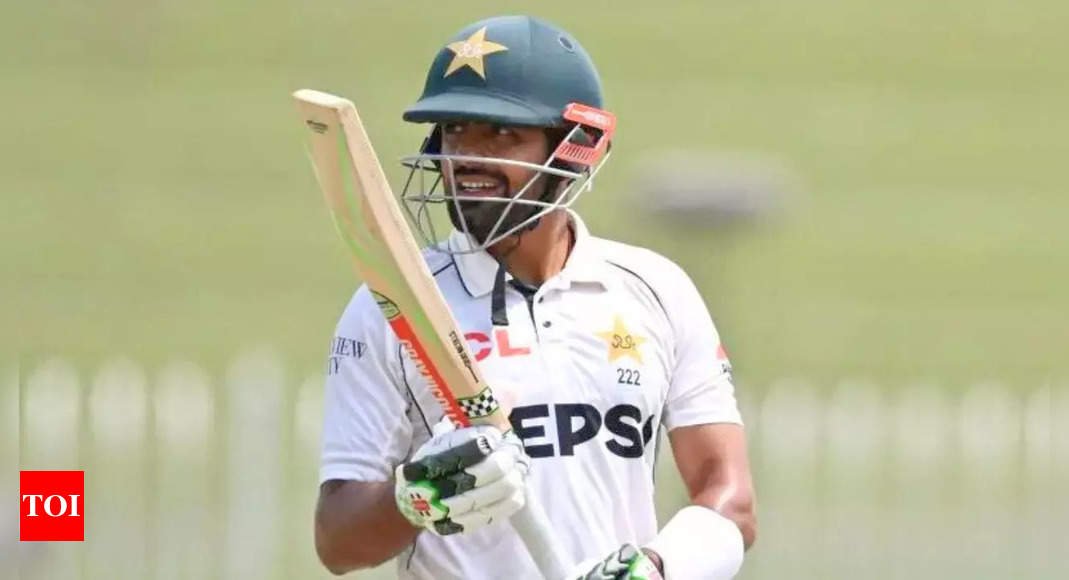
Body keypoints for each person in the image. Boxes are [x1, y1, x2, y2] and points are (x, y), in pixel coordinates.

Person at [314, 14, 756, 580]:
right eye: (454, 130)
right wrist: (419, 496)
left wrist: (653, 571)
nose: (466, 156)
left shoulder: (655, 289)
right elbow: (338, 542)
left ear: (573, 149)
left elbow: (729, 499)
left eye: (502, 133)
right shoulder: (389, 306)